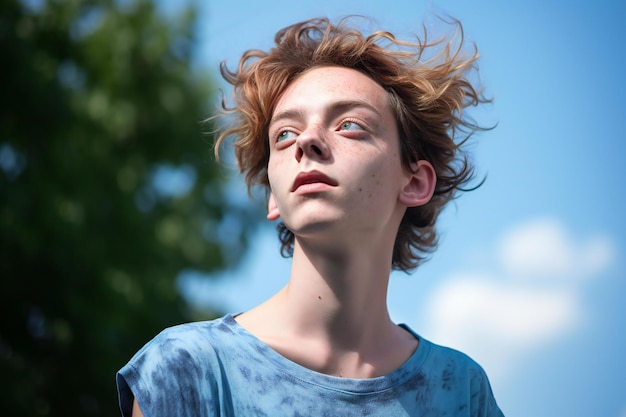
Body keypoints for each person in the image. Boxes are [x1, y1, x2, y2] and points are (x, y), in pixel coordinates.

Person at [116, 16, 504, 416]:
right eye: (284, 134)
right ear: (273, 197)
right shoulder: (188, 369)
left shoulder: (461, 390)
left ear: (415, 182)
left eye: (349, 125)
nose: (307, 140)